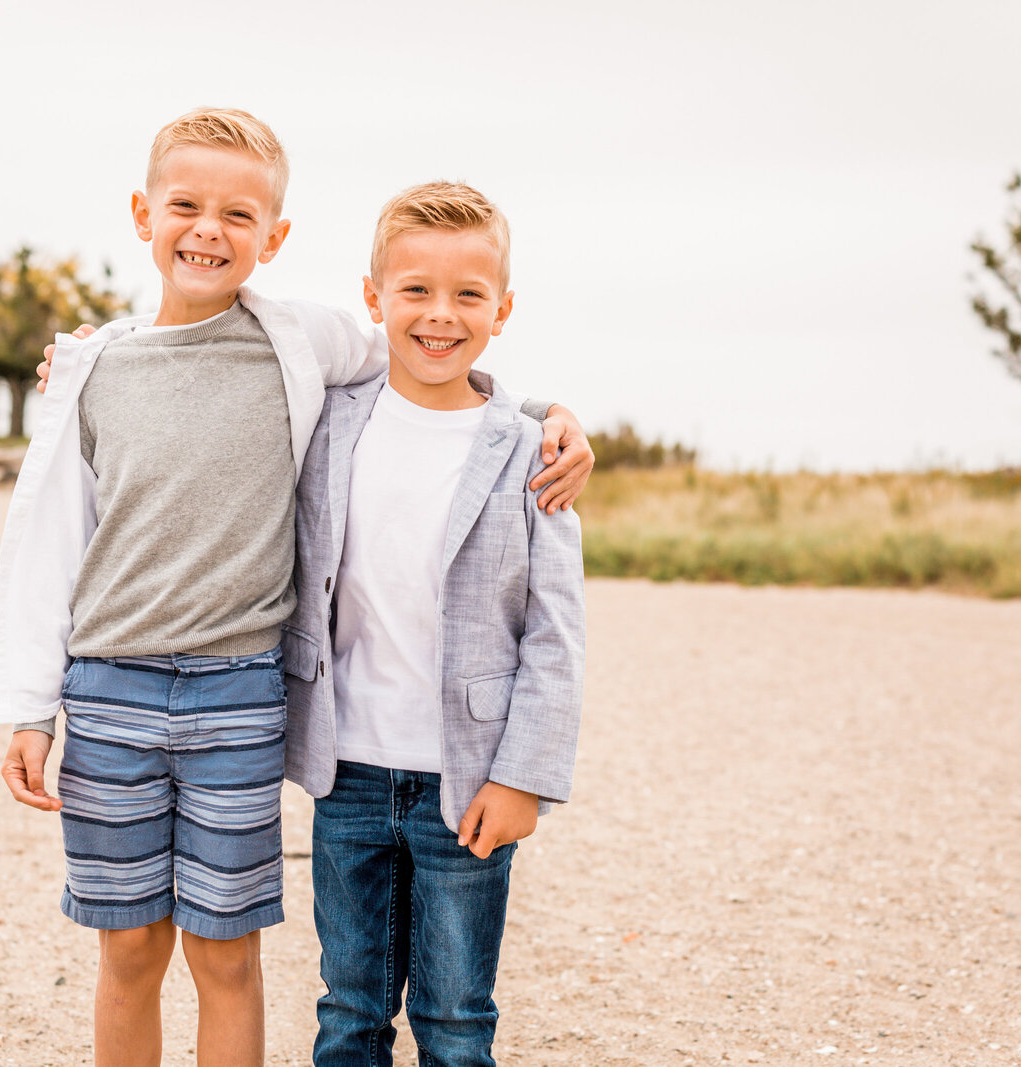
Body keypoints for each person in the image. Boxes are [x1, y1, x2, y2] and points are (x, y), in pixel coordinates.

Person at [0, 108, 593, 1067]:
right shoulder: (92, 369)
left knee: (227, 955)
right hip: (110, 691)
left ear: (274, 237)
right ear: (143, 213)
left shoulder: (300, 341)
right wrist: (28, 706)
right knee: (130, 950)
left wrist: (550, 413)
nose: (207, 230)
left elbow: (432, 361)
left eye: (239, 214)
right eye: (185, 205)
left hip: (239, 692)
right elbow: (52, 542)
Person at [284, 182, 584, 1065]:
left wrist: (524, 776)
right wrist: (89, 357)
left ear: (504, 307)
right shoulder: (330, 423)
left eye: (467, 295)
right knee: (349, 1009)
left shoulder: (533, 451)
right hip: (349, 771)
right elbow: (225, 336)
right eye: (414, 290)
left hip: (470, 782)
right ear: (373, 297)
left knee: (456, 1019)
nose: (440, 315)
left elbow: (554, 634)